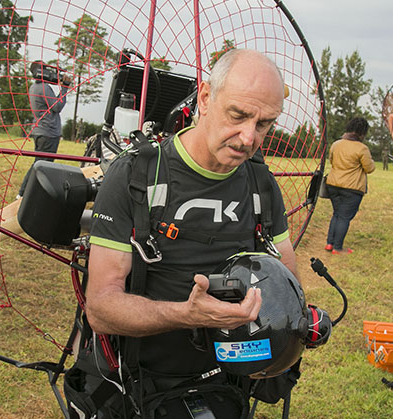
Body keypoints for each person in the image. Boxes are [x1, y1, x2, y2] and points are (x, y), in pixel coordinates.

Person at [81, 49, 308, 416]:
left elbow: (288, 282)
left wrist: (299, 323)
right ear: (205, 97)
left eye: (265, 123)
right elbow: (102, 308)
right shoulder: (136, 178)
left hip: (229, 384)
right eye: (238, 115)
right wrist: (187, 314)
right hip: (142, 384)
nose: (249, 137)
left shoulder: (261, 185)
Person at [18, 61, 70, 197]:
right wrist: (64, 88)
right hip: (48, 133)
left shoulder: (34, 87)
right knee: (41, 166)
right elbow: (57, 107)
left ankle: (26, 193)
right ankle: (24, 193)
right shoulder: (44, 87)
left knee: (40, 164)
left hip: (41, 132)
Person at [324, 117, 375, 255]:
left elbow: (331, 160)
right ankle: (338, 248)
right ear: (362, 132)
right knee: (344, 217)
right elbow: (369, 168)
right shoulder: (362, 148)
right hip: (352, 188)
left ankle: (330, 243)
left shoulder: (336, 144)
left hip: (333, 184)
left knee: (337, 214)